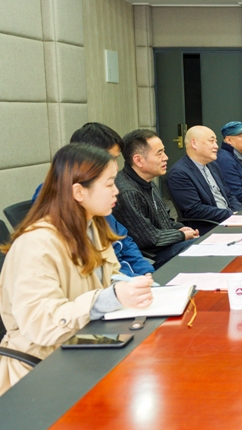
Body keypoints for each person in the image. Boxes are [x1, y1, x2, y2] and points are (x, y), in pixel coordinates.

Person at [0, 144, 153, 395]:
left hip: (82, 346)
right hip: (40, 370)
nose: (116, 191)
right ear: (79, 191)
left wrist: (129, 286)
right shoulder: (37, 244)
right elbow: (41, 323)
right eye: (109, 184)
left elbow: (110, 275)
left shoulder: (92, 226)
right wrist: (109, 298)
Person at [32, 123, 153, 278]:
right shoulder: (54, 210)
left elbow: (122, 239)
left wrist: (145, 272)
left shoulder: (95, 208)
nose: (116, 167)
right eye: (111, 159)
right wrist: (129, 281)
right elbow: (93, 271)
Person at [114, 130, 199, 269]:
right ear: (138, 160)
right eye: (159, 154)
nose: (166, 157)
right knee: (199, 247)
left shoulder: (148, 182)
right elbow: (149, 239)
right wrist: (181, 235)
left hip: (165, 245)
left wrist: (180, 228)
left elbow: (165, 220)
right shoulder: (128, 192)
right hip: (149, 257)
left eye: (163, 152)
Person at [167, 126, 242, 234]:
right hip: (210, 226)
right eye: (211, 141)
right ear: (194, 143)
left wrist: (239, 212)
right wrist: (230, 214)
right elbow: (195, 209)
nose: (216, 146)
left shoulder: (212, 165)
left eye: (216, 141)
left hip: (230, 219)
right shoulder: (179, 173)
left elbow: (228, 194)